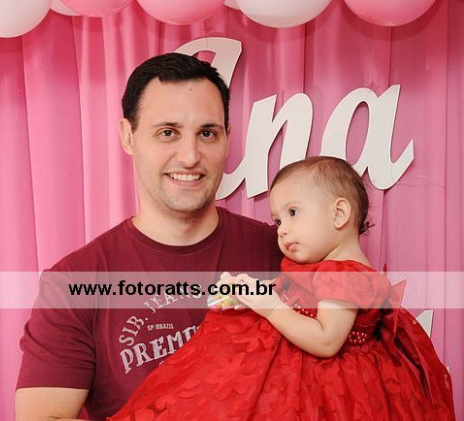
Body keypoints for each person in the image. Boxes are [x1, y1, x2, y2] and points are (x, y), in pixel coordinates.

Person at [14, 52, 282, 421]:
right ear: (129, 136)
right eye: (168, 132)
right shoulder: (74, 283)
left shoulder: (281, 252)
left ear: (228, 138)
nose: (190, 156)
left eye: (207, 133)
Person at [109, 156, 456, 420]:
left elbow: (326, 340)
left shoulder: (347, 274)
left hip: (335, 387)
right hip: (300, 373)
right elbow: (292, 299)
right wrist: (246, 295)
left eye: (293, 213)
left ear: (339, 214)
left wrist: (270, 306)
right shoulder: (318, 268)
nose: (282, 229)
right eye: (278, 220)